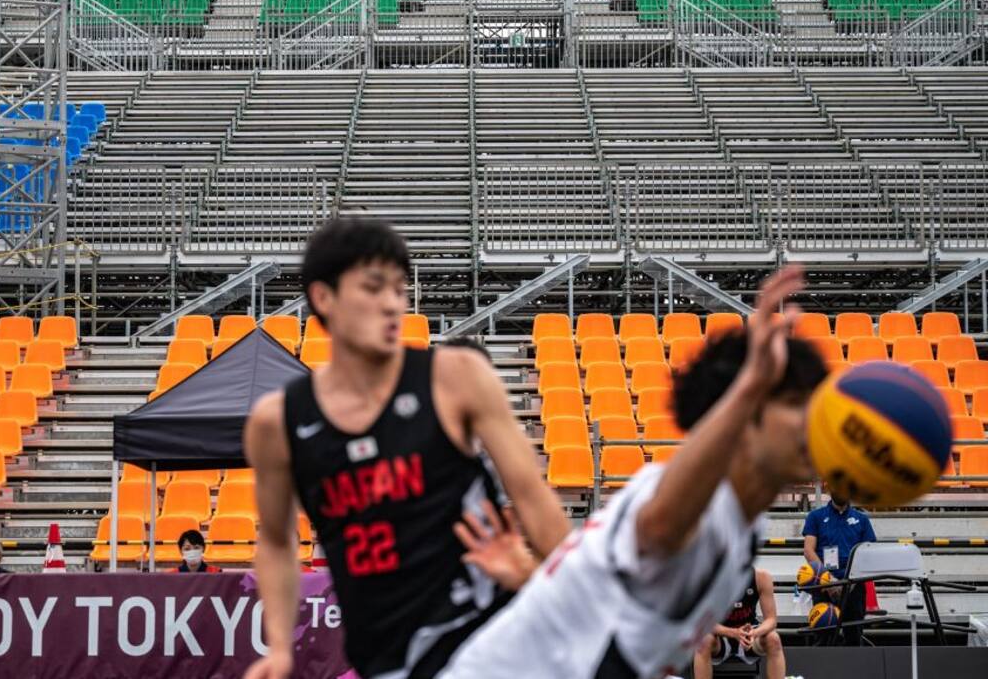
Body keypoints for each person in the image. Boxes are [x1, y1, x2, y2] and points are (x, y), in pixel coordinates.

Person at [443, 266, 828, 679]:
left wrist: (534, 580)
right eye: (794, 404)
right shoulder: (692, 507)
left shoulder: (745, 526)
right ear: (746, 415)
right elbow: (662, 528)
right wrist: (751, 385)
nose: (813, 420)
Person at [243, 218, 571, 679]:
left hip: (485, 636)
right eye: (374, 289)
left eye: (400, 289)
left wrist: (579, 605)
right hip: (385, 657)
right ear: (323, 298)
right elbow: (276, 541)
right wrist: (279, 649)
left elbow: (535, 500)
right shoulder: (276, 422)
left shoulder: (455, 377)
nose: (394, 303)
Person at [803, 483, 876, 645]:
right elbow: (809, 550)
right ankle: (822, 669)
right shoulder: (815, 517)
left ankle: (856, 669)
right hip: (823, 587)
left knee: (854, 637)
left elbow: (868, 554)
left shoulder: (862, 520)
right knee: (823, 636)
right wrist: (828, 580)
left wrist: (848, 583)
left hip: (854, 587)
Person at [693, 568, 785, 679]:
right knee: (703, 641)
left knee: (773, 639)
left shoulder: (761, 577)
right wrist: (733, 633)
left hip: (749, 635)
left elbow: (771, 620)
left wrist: (754, 632)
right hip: (720, 636)